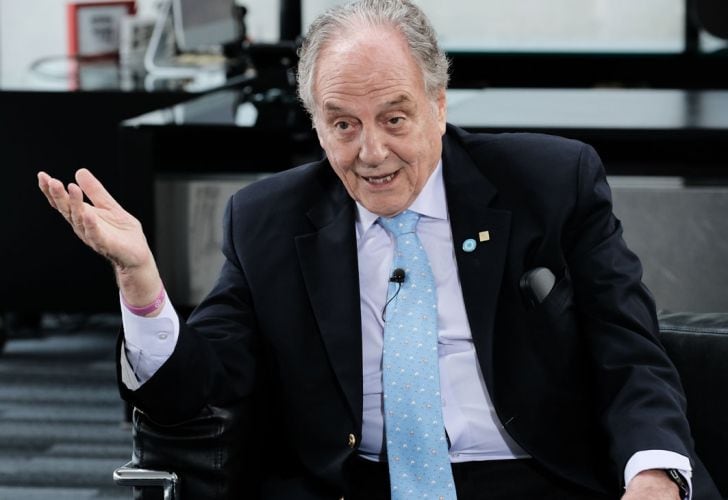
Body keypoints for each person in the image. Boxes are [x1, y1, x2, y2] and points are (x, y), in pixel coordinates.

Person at [38, 0, 721, 498]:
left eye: (395, 118)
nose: (372, 152)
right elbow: (201, 389)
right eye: (343, 125)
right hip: (356, 485)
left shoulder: (550, 183)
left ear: (439, 105)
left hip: (538, 476)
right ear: (316, 124)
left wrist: (654, 473)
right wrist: (140, 282)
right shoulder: (267, 220)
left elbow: (628, 350)